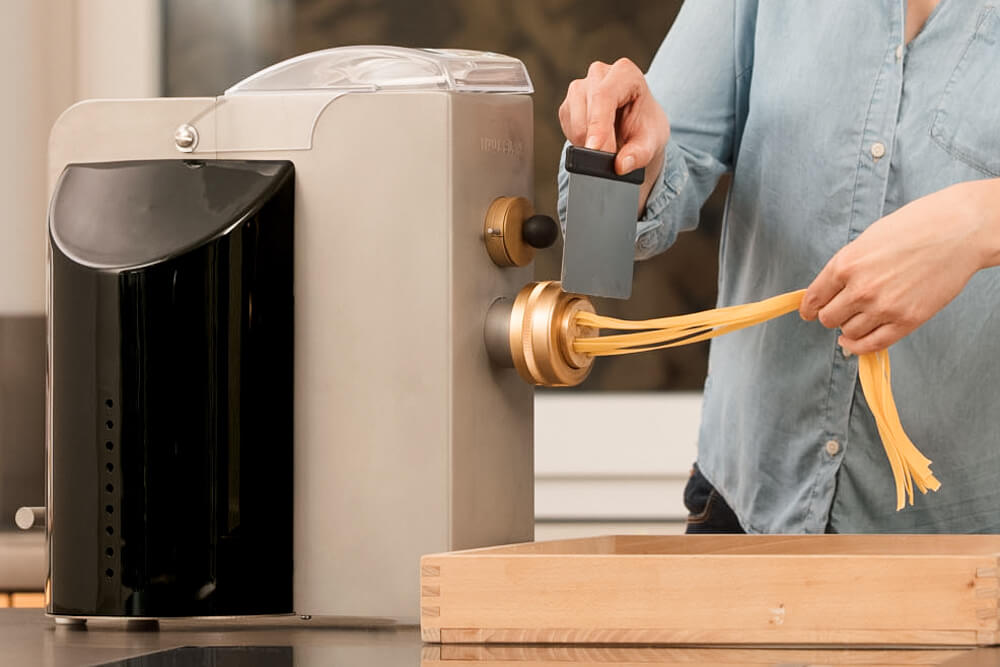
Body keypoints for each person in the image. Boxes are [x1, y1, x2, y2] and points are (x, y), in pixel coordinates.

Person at [557, 0, 1000, 533]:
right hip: (746, 512)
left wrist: (979, 222)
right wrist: (626, 158)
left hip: (969, 540)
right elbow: (650, 175)